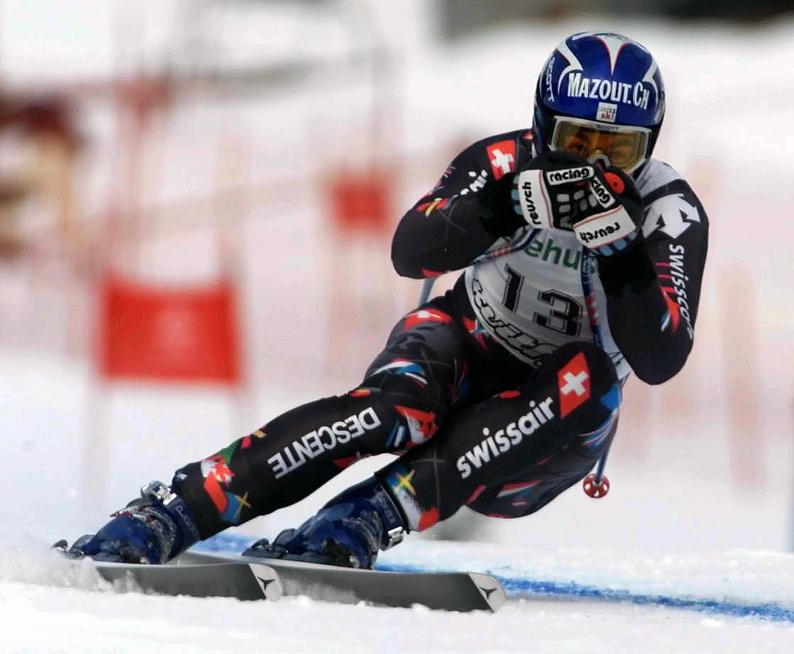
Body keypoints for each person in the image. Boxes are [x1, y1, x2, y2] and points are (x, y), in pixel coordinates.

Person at [65, 31, 709, 569]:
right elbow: (412, 250)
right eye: (577, 142)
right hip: (468, 339)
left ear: (649, 144)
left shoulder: (668, 209)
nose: (595, 168)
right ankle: (175, 509)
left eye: (618, 150)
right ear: (544, 126)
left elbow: (661, 358)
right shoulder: (504, 159)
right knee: (395, 410)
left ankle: (367, 515)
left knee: (589, 380)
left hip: (552, 430)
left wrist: (623, 254)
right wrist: (503, 205)